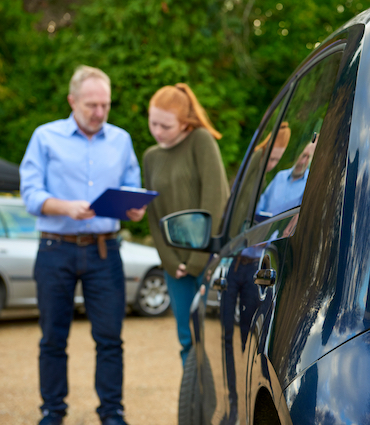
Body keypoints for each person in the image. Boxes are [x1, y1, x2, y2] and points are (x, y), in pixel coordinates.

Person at [19, 65, 146, 425]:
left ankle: (112, 413)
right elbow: (30, 194)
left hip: (105, 251)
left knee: (110, 339)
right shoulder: (44, 137)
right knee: (52, 338)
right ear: (72, 101)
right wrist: (64, 206)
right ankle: (52, 412)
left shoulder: (121, 139)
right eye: (91, 104)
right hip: (55, 249)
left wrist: (134, 209)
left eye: (105, 104)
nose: (99, 112)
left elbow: (131, 188)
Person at [143, 83, 229, 367]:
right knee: (186, 338)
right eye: (153, 122)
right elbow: (153, 216)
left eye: (165, 126)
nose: (157, 131)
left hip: (207, 259)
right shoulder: (150, 157)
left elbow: (215, 199)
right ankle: (194, 406)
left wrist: (195, 260)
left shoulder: (201, 141)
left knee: (215, 338)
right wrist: (169, 261)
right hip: (174, 265)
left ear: (185, 123)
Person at [255, 140, 317, 218]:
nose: (302, 162)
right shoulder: (280, 176)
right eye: (304, 155)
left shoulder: (309, 185)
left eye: (309, 158)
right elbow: (262, 202)